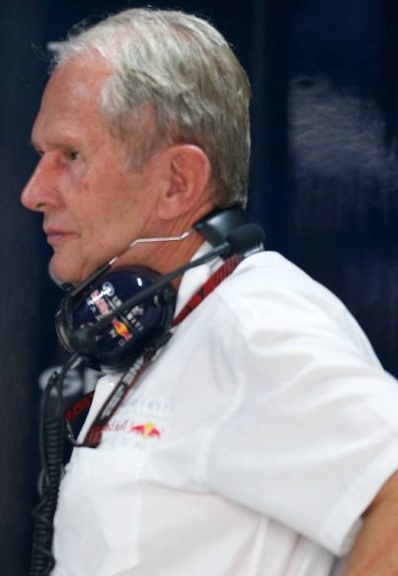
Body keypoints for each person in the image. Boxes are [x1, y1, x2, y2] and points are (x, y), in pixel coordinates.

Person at [21, 8, 398, 576]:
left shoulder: (253, 321)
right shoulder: (174, 320)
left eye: (70, 156)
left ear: (177, 183)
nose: (34, 191)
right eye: (40, 157)